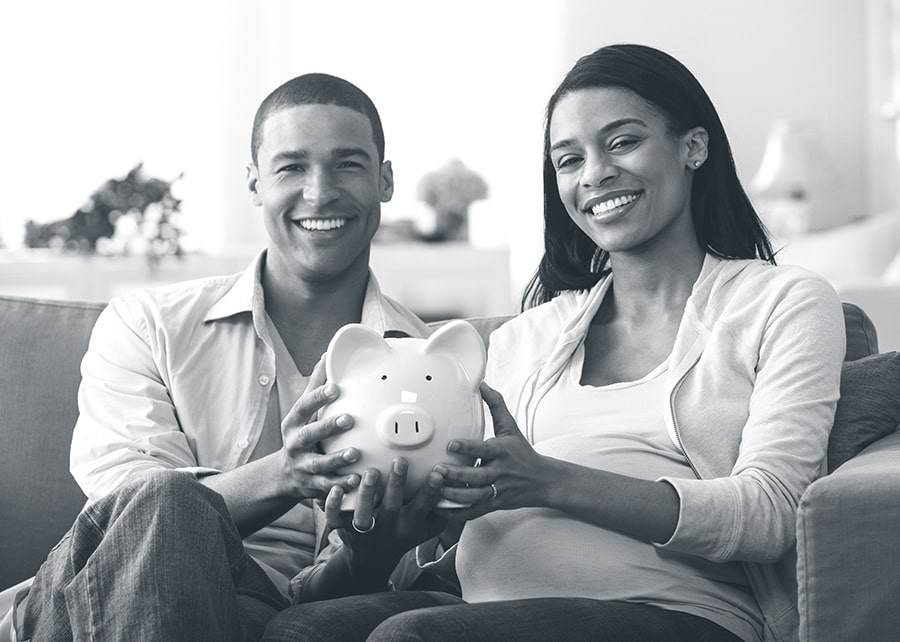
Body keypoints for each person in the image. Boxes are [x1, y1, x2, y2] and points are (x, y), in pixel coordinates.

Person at [260, 44, 845, 642]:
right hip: (476, 601)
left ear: (693, 147)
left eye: (622, 142)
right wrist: (388, 536)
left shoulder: (783, 303)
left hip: (678, 613)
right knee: (301, 631)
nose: (594, 174)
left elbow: (773, 513)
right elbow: (461, 512)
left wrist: (549, 480)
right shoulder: (528, 336)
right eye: (569, 159)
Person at [9, 73, 448, 641]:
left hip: (261, 617)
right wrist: (285, 476)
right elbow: (133, 526)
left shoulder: (427, 373)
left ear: (384, 180)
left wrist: (374, 551)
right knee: (165, 500)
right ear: (254, 183)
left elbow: (325, 597)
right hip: (87, 605)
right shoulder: (148, 326)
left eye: (348, 164)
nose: (319, 193)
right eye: (291, 167)